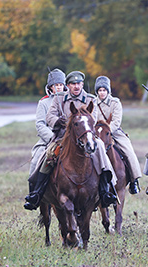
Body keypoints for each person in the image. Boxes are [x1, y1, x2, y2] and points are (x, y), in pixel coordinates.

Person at [24, 71, 117, 210]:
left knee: (100, 148)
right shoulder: (59, 99)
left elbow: (94, 117)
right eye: (73, 84)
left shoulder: (91, 99)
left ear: (82, 84)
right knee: (47, 155)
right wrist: (57, 121)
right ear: (68, 86)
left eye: (79, 83)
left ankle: (105, 190)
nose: (76, 86)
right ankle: (37, 192)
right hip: (62, 137)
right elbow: (49, 116)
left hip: (86, 136)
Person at [23, 69, 66, 210]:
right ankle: (34, 195)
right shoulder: (44, 103)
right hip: (48, 140)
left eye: (61, 84)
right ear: (50, 87)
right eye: (56, 84)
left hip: (67, 139)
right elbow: (40, 124)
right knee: (36, 161)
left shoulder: (69, 100)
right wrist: (51, 137)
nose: (59, 87)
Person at [93, 75, 141, 194]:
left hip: (113, 131)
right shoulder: (93, 103)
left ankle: (134, 180)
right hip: (97, 132)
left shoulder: (115, 103)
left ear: (108, 91)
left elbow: (116, 120)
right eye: (100, 90)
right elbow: (92, 119)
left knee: (128, 151)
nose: (102, 93)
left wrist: (108, 131)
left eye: (104, 90)